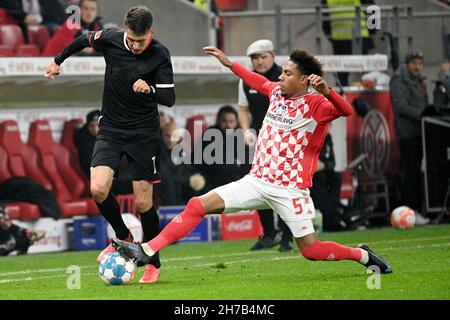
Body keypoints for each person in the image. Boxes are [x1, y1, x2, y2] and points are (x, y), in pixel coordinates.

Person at [114, 46, 393, 276]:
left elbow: (345, 111)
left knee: (310, 250)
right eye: (282, 72)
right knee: (197, 204)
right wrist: (229, 63)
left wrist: (328, 91)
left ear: (305, 80)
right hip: (257, 181)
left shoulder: (317, 105)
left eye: (287, 73)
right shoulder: (276, 93)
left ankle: (362, 255)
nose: (280, 77)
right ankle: (147, 250)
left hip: (290, 189)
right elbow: (255, 80)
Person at [45, 5, 176, 284]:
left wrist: (150, 89)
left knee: (143, 203)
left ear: (152, 32)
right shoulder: (111, 38)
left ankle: (152, 261)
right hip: (111, 130)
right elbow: (83, 39)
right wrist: (58, 60)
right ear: (125, 30)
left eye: (144, 40)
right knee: (98, 188)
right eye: (134, 39)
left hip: (144, 134)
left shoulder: (160, 53)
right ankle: (123, 235)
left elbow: (170, 98)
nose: (139, 45)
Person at [238, 39, 293, 252]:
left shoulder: (286, 77)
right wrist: (246, 130)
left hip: (285, 141)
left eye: (263, 57)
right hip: (260, 141)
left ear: (273, 56)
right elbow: (243, 108)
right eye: (254, 58)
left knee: (286, 188)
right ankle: (269, 234)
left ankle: (288, 236)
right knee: (257, 185)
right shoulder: (245, 81)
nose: (259, 61)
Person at [389, 49, 429, 225]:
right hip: (408, 134)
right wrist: (423, 115)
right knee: (410, 173)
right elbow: (401, 107)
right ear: (407, 64)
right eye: (414, 63)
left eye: (420, 63)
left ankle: (416, 210)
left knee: (415, 173)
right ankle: (409, 210)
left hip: (419, 133)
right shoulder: (398, 80)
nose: (417, 66)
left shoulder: (419, 81)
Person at [310, 133, 372, 231]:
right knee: (319, 180)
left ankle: (338, 215)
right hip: (309, 175)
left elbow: (331, 163)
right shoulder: (308, 135)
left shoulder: (327, 137)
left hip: (323, 172)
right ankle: (342, 214)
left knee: (335, 178)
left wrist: (324, 165)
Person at [194, 105, 251, 192]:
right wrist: (234, 163)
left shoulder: (239, 136)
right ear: (218, 121)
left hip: (236, 183)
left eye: (231, 121)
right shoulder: (209, 135)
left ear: (236, 122)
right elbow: (216, 166)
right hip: (212, 183)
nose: (228, 124)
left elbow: (246, 165)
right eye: (224, 121)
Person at [321, 0, 376, 86]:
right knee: (365, 73)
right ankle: (364, 96)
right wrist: (372, 34)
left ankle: (342, 97)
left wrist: (331, 36)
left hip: (339, 39)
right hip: (361, 37)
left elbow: (325, 21)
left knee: (342, 75)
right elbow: (373, 11)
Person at [74, 109, 100, 179]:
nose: (95, 129)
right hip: (92, 170)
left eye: (98, 125)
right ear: (87, 126)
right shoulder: (83, 138)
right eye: (92, 125)